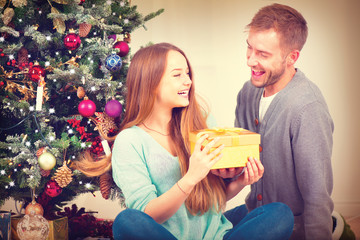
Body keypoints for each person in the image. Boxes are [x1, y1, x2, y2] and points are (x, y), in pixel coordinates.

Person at [77, 43, 294, 240]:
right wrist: (191, 178)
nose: (188, 81)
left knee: (279, 213)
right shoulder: (130, 141)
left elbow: (209, 205)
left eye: (188, 73)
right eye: (177, 75)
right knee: (127, 221)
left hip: (215, 234)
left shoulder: (201, 122)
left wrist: (239, 182)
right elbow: (148, 216)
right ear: (151, 82)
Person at [234, 4, 334, 239]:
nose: (250, 60)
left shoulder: (307, 108)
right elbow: (239, 160)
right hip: (255, 215)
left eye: (263, 54)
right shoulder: (247, 93)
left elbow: (317, 196)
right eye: (249, 48)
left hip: (290, 229)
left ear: (292, 57)